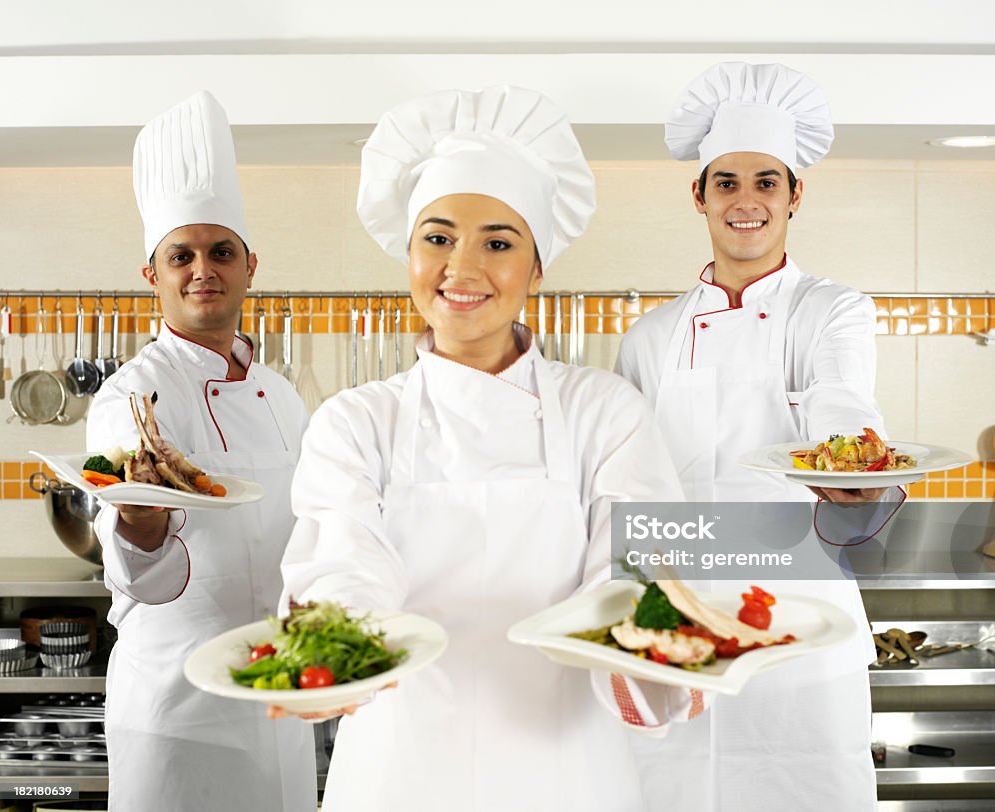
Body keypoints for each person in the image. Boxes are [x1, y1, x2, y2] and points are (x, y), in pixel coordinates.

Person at [277, 85, 684, 811]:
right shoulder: (353, 421)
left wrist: (660, 654)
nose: (460, 269)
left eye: (498, 242)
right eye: (437, 237)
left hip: (567, 772)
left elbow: (635, 574)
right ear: (407, 254)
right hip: (398, 770)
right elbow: (343, 561)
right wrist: (333, 656)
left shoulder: (606, 412)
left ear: (536, 268)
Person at [615, 63, 891, 810]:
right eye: (727, 183)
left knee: (803, 788)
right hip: (679, 626)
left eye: (766, 182)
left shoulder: (830, 310)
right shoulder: (650, 336)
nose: (746, 201)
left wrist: (848, 460)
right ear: (699, 195)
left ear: (795, 194)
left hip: (799, 617)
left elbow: (840, 396)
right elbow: (625, 488)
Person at [87, 90, 317, 812]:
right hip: (179, 718)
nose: (202, 270)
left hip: (276, 704)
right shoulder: (131, 398)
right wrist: (141, 527)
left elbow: (311, 528)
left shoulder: (282, 396)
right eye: (180, 255)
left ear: (250, 265)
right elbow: (139, 581)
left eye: (220, 252)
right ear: (152, 275)